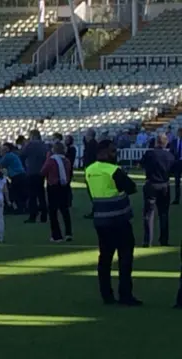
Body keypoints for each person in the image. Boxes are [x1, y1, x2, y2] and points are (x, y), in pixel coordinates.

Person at [85, 139, 141, 306]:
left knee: (105, 258)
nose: (115, 154)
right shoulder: (113, 170)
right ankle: (125, 295)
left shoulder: (89, 170)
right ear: (102, 152)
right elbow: (131, 187)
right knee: (125, 258)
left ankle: (106, 295)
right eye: (112, 151)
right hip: (119, 219)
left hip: (101, 220)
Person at [141, 134, 175, 247]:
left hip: (151, 184)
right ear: (166, 143)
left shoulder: (149, 154)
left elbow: (142, 164)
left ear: (156, 142)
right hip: (164, 185)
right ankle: (164, 240)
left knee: (148, 214)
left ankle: (147, 241)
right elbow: (172, 170)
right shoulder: (170, 155)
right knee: (164, 214)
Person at [41, 142, 73, 242]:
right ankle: (68, 233)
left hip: (53, 186)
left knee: (53, 211)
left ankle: (56, 235)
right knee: (65, 210)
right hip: (64, 186)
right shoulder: (66, 160)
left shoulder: (51, 160)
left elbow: (43, 171)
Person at [22, 129, 48, 223]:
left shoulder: (30, 145)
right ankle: (44, 215)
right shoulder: (44, 145)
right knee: (41, 194)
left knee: (32, 195)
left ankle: (33, 215)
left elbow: (23, 154)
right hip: (41, 172)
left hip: (32, 171)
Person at [0, 143, 25, 213]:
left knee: (14, 194)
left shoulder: (7, 156)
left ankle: (17, 209)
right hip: (21, 175)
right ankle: (22, 209)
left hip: (17, 176)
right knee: (20, 193)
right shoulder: (13, 155)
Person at [83, 128, 98, 218]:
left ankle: (96, 210)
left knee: (93, 191)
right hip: (91, 169)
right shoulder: (92, 144)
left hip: (91, 170)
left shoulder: (92, 145)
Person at [168, 128, 182, 204]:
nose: (180, 134)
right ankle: (177, 199)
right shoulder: (174, 142)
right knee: (177, 182)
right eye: (179, 132)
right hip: (177, 164)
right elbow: (171, 153)